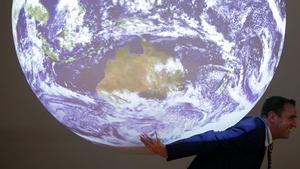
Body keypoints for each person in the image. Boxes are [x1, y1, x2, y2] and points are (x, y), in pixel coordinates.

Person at [140, 96, 297, 169]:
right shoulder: (254, 129)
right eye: (291, 118)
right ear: (272, 117)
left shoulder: (260, 135)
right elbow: (213, 139)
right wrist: (169, 151)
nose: (295, 124)